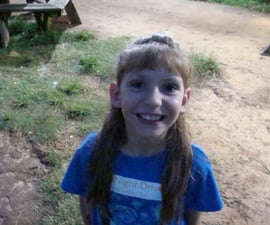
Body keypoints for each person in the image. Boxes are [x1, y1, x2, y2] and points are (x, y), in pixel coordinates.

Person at [61, 33, 223, 225]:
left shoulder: (193, 163)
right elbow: (87, 208)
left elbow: (190, 218)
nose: (153, 101)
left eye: (169, 87)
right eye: (138, 84)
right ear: (117, 95)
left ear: (184, 100)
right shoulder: (91, 152)